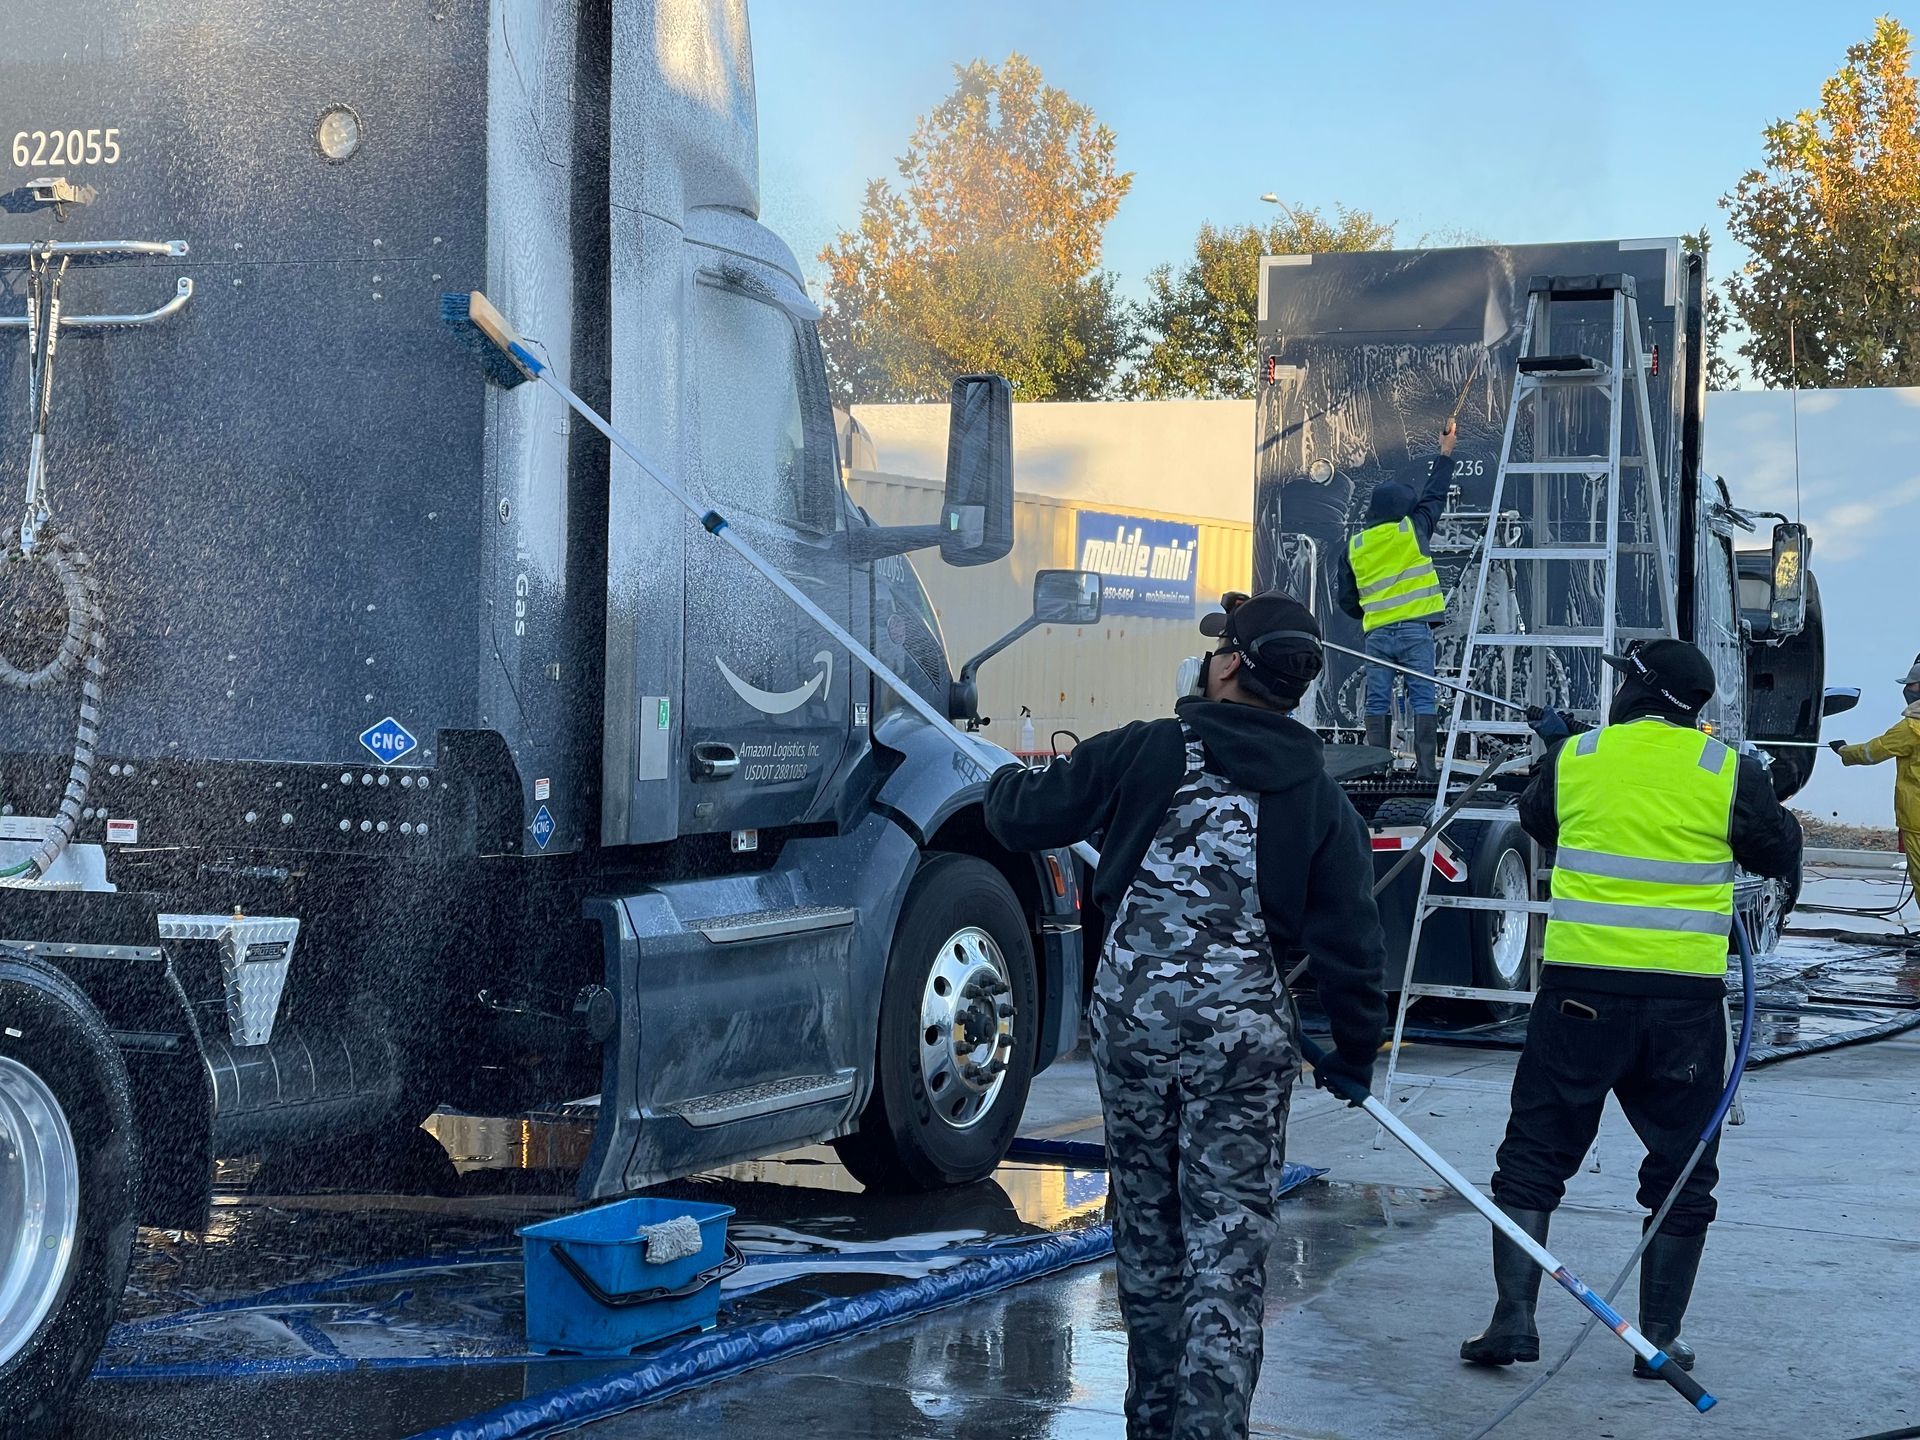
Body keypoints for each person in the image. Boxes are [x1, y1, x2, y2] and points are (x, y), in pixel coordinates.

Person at [984, 592, 1389, 1440]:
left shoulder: (1151, 748)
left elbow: (1019, 815)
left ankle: (1152, 1420)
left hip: (1133, 1032)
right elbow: (1354, 941)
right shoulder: (1317, 793)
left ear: (1231, 663)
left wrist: (1001, 778)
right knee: (1228, 1248)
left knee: (1149, 1233)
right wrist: (1356, 1052)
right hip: (1243, 1045)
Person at [1461, 639, 1802, 1378]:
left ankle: (1512, 1319)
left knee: (1533, 1157)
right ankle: (1660, 1340)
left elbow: (1541, 821)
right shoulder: (1727, 770)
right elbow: (1775, 853)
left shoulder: (1581, 757)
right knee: (1682, 1169)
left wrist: (1558, 750)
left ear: (1637, 691)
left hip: (1579, 995)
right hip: (1683, 1004)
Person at [1336, 421, 1459, 779]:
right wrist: (1446, 452)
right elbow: (1434, 494)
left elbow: (1346, 599)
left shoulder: (1355, 546)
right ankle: (1426, 771)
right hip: (1415, 634)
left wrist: (1372, 612)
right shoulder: (1413, 530)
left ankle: (1375, 768)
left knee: (1376, 700)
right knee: (1423, 697)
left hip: (1376, 636)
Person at [1829, 658, 1920, 909]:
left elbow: (1873, 751)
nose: (1907, 691)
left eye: (1911, 686)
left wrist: (1844, 751)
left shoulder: (1912, 728)